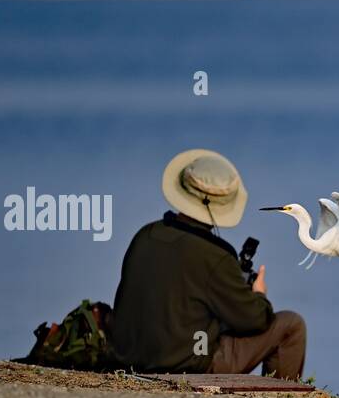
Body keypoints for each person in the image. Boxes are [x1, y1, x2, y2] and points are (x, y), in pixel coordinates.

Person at [111, 149, 307, 380]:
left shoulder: (145, 234)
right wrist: (259, 295)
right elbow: (255, 321)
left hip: (128, 357)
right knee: (291, 325)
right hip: (188, 362)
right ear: (224, 203)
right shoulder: (217, 256)